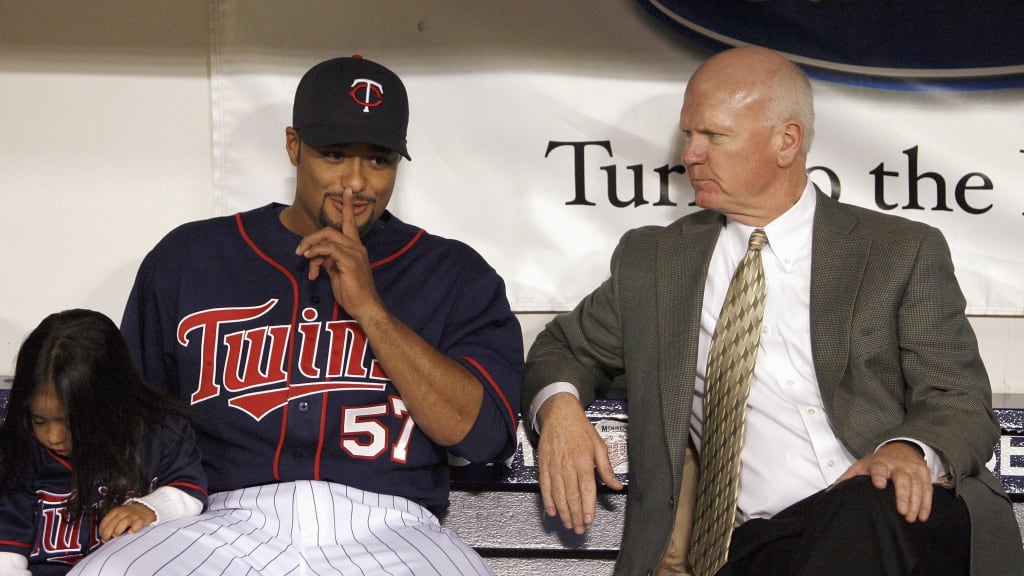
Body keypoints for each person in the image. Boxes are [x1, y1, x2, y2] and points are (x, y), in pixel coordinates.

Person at [523, 46, 1024, 576]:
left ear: (787, 141)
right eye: (688, 134)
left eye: (714, 136)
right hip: (759, 546)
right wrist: (560, 410)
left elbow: (959, 399)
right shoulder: (655, 263)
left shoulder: (897, 250)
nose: (691, 154)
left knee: (865, 506)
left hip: (897, 518)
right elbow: (561, 349)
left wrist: (907, 451)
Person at [68, 55, 523, 576]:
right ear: (293, 146)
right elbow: (130, 421)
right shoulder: (191, 258)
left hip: (393, 527)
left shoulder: (453, 273)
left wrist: (371, 309)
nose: (355, 182)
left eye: (378, 160)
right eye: (334, 154)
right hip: (220, 522)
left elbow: (483, 436)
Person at [0, 309, 207, 576]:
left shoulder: (160, 432)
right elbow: (6, 554)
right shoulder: (21, 449)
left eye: (70, 422)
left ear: (111, 403)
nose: (53, 436)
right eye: (39, 420)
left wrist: (149, 509)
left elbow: (191, 490)